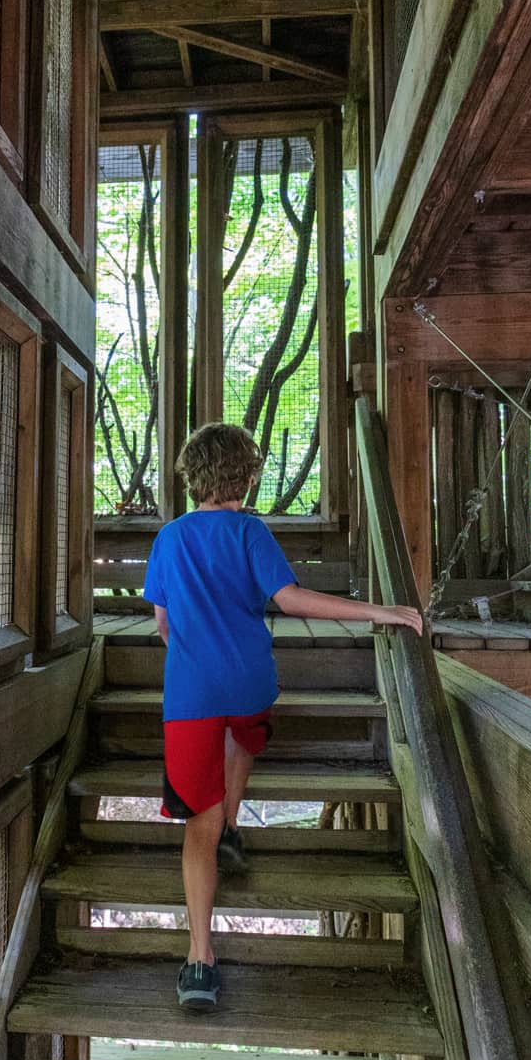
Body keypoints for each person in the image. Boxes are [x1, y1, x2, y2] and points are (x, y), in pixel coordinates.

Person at [143, 422, 422, 1012]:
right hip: (250, 680)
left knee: (197, 823)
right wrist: (384, 612)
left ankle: (199, 960)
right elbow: (291, 600)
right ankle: (234, 827)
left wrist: (195, 651)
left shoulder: (169, 538)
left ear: (192, 478)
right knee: (245, 733)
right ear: (245, 477)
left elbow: (163, 624)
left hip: (190, 695)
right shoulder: (250, 531)